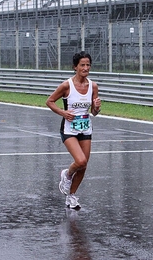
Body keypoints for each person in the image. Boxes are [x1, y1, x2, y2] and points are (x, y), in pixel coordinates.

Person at [46, 51, 101, 209]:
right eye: (82, 65)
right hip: (69, 129)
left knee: (84, 166)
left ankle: (71, 196)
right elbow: (49, 101)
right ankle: (67, 174)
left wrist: (96, 108)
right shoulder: (66, 86)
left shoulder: (93, 86)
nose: (85, 68)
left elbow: (94, 112)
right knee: (80, 161)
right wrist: (63, 113)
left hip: (85, 129)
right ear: (75, 67)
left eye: (88, 65)